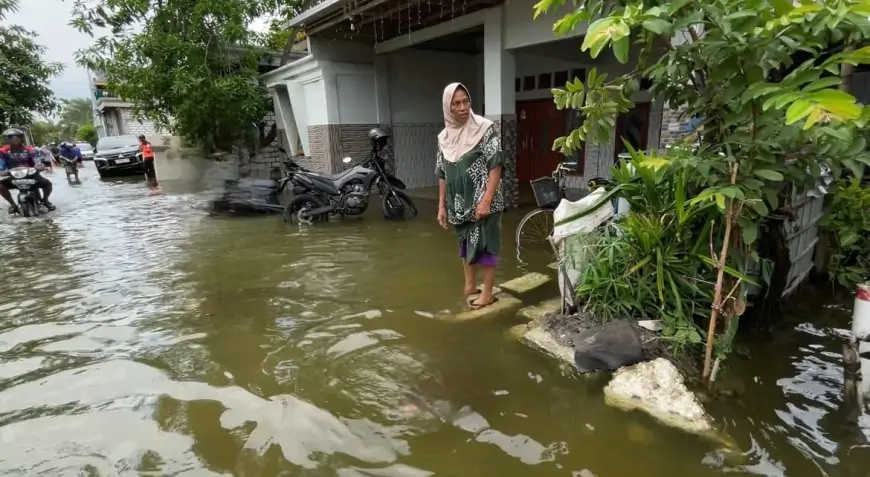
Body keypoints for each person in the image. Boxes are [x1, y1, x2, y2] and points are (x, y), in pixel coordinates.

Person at [435, 83, 505, 310]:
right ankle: (469, 286)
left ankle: (487, 294)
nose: (463, 107)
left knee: (486, 245)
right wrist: (441, 206)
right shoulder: (443, 137)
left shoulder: (485, 128)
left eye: (466, 101)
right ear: (448, 107)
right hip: (458, 203)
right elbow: (442, 173)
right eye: (456, 103)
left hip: (484, 201)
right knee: (465, 243)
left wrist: (486, 201)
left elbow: (496, 166)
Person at [0, 128, 55, 212]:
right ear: (6, 139)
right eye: (11, 137)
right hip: (13, 176)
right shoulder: (3, 151)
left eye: (17, 136)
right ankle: (13, 204)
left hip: (32, 175)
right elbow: (1, 163)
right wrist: (1, 170)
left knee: (48, 184)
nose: (15, 139)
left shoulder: (30, 149)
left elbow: (36, 160)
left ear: (21, 138)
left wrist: (39, 166)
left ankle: (45, 200)